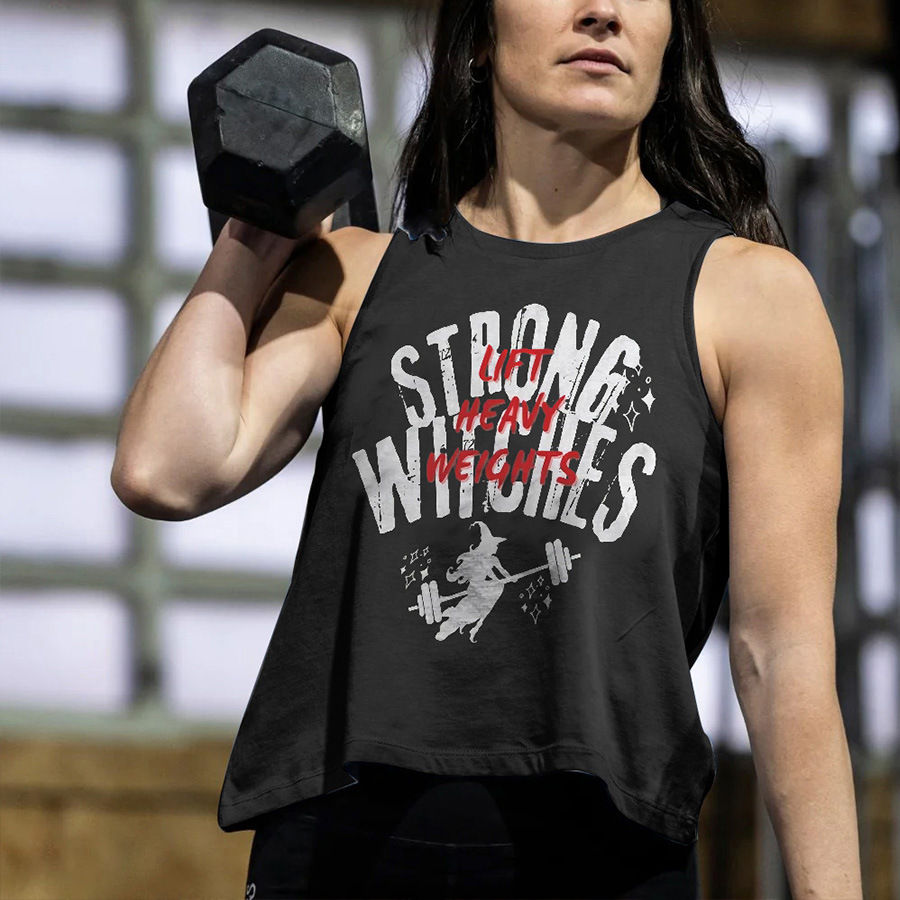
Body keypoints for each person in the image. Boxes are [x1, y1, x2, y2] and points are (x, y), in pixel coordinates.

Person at [111, 1, 862, 898]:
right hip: (344, 842)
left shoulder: (751, 297)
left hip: (601, 854)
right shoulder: (360, 273)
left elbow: (782, 653)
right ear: (475, 41)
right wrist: (256, 230)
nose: (602, 11)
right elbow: (166, 469)